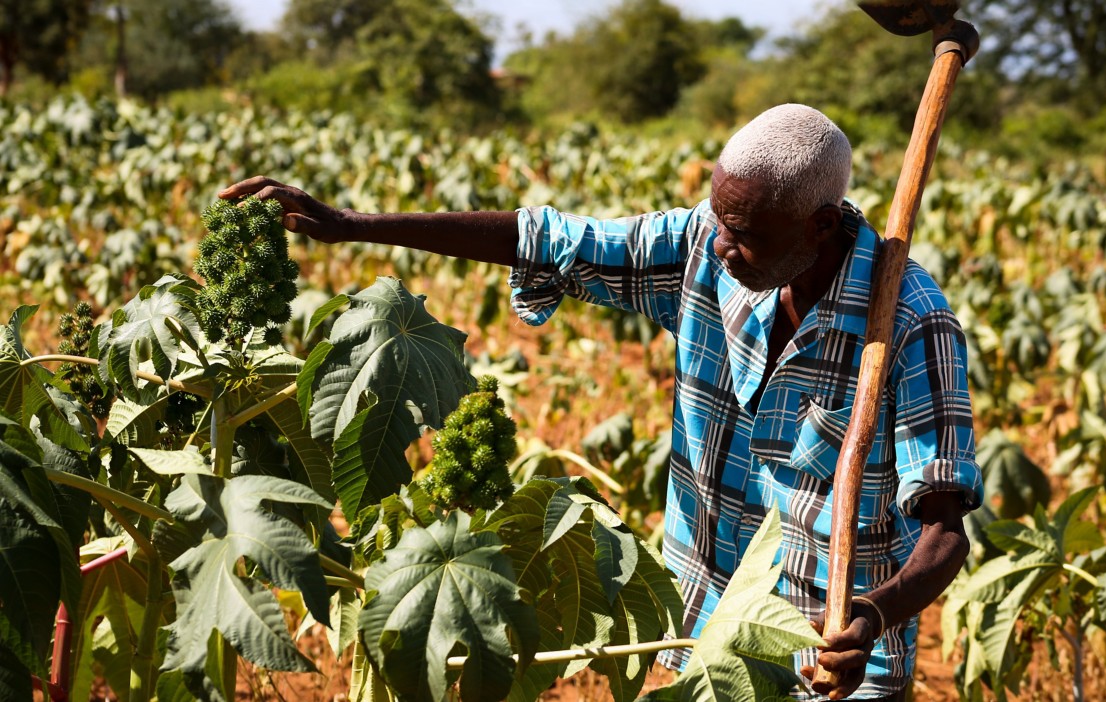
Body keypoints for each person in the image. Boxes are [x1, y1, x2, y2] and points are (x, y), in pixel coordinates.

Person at [220, 103, 982, 701]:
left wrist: (871, 615)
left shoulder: (912, 324)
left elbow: (944, 532)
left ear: (819, 225)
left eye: (743, 233)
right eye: (718, 220)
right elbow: (543, 238)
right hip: (706, 624)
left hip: (831, 650)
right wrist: (351, 226)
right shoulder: (701, 246)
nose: (721, 246)